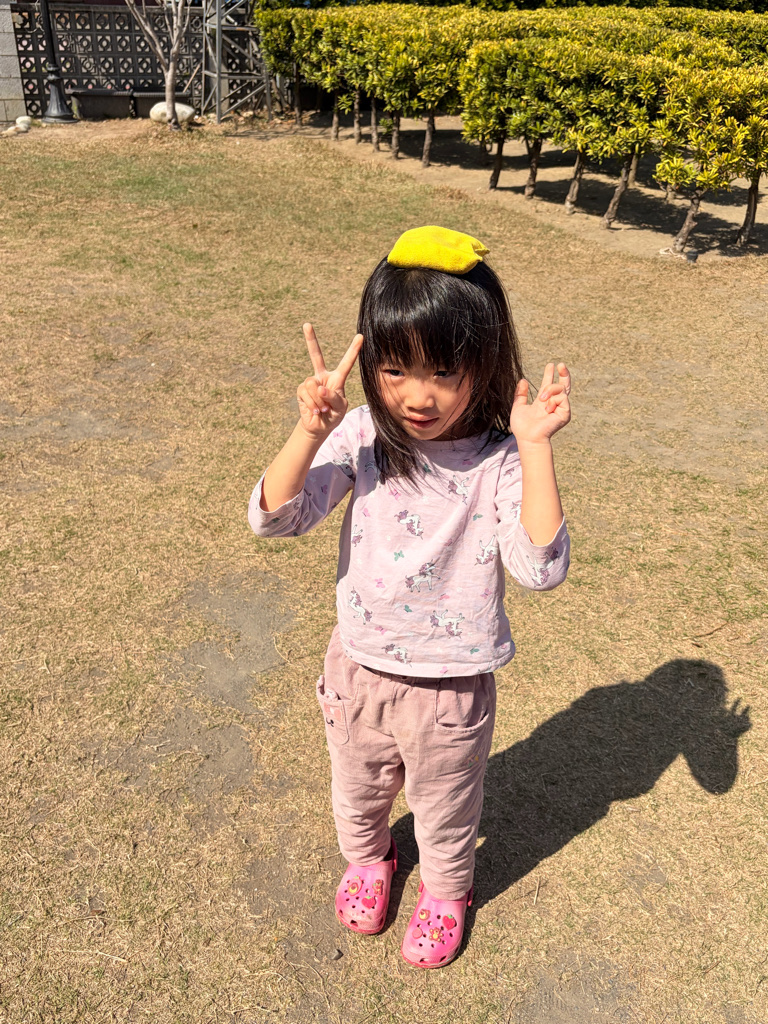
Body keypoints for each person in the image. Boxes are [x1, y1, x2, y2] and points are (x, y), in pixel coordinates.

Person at [248, 225, 571, 968]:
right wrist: (307, 432)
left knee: (448, 808)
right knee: (356, 791)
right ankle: (371, 862)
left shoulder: (498, 460)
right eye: (395, 369)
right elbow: (275, 518)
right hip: (358, 667)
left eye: (444, 371)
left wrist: (534, 447)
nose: (417, 396)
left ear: (485, 363)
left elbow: (540, 568)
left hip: (450, 687)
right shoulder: (363, 435)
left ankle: (447, 893)